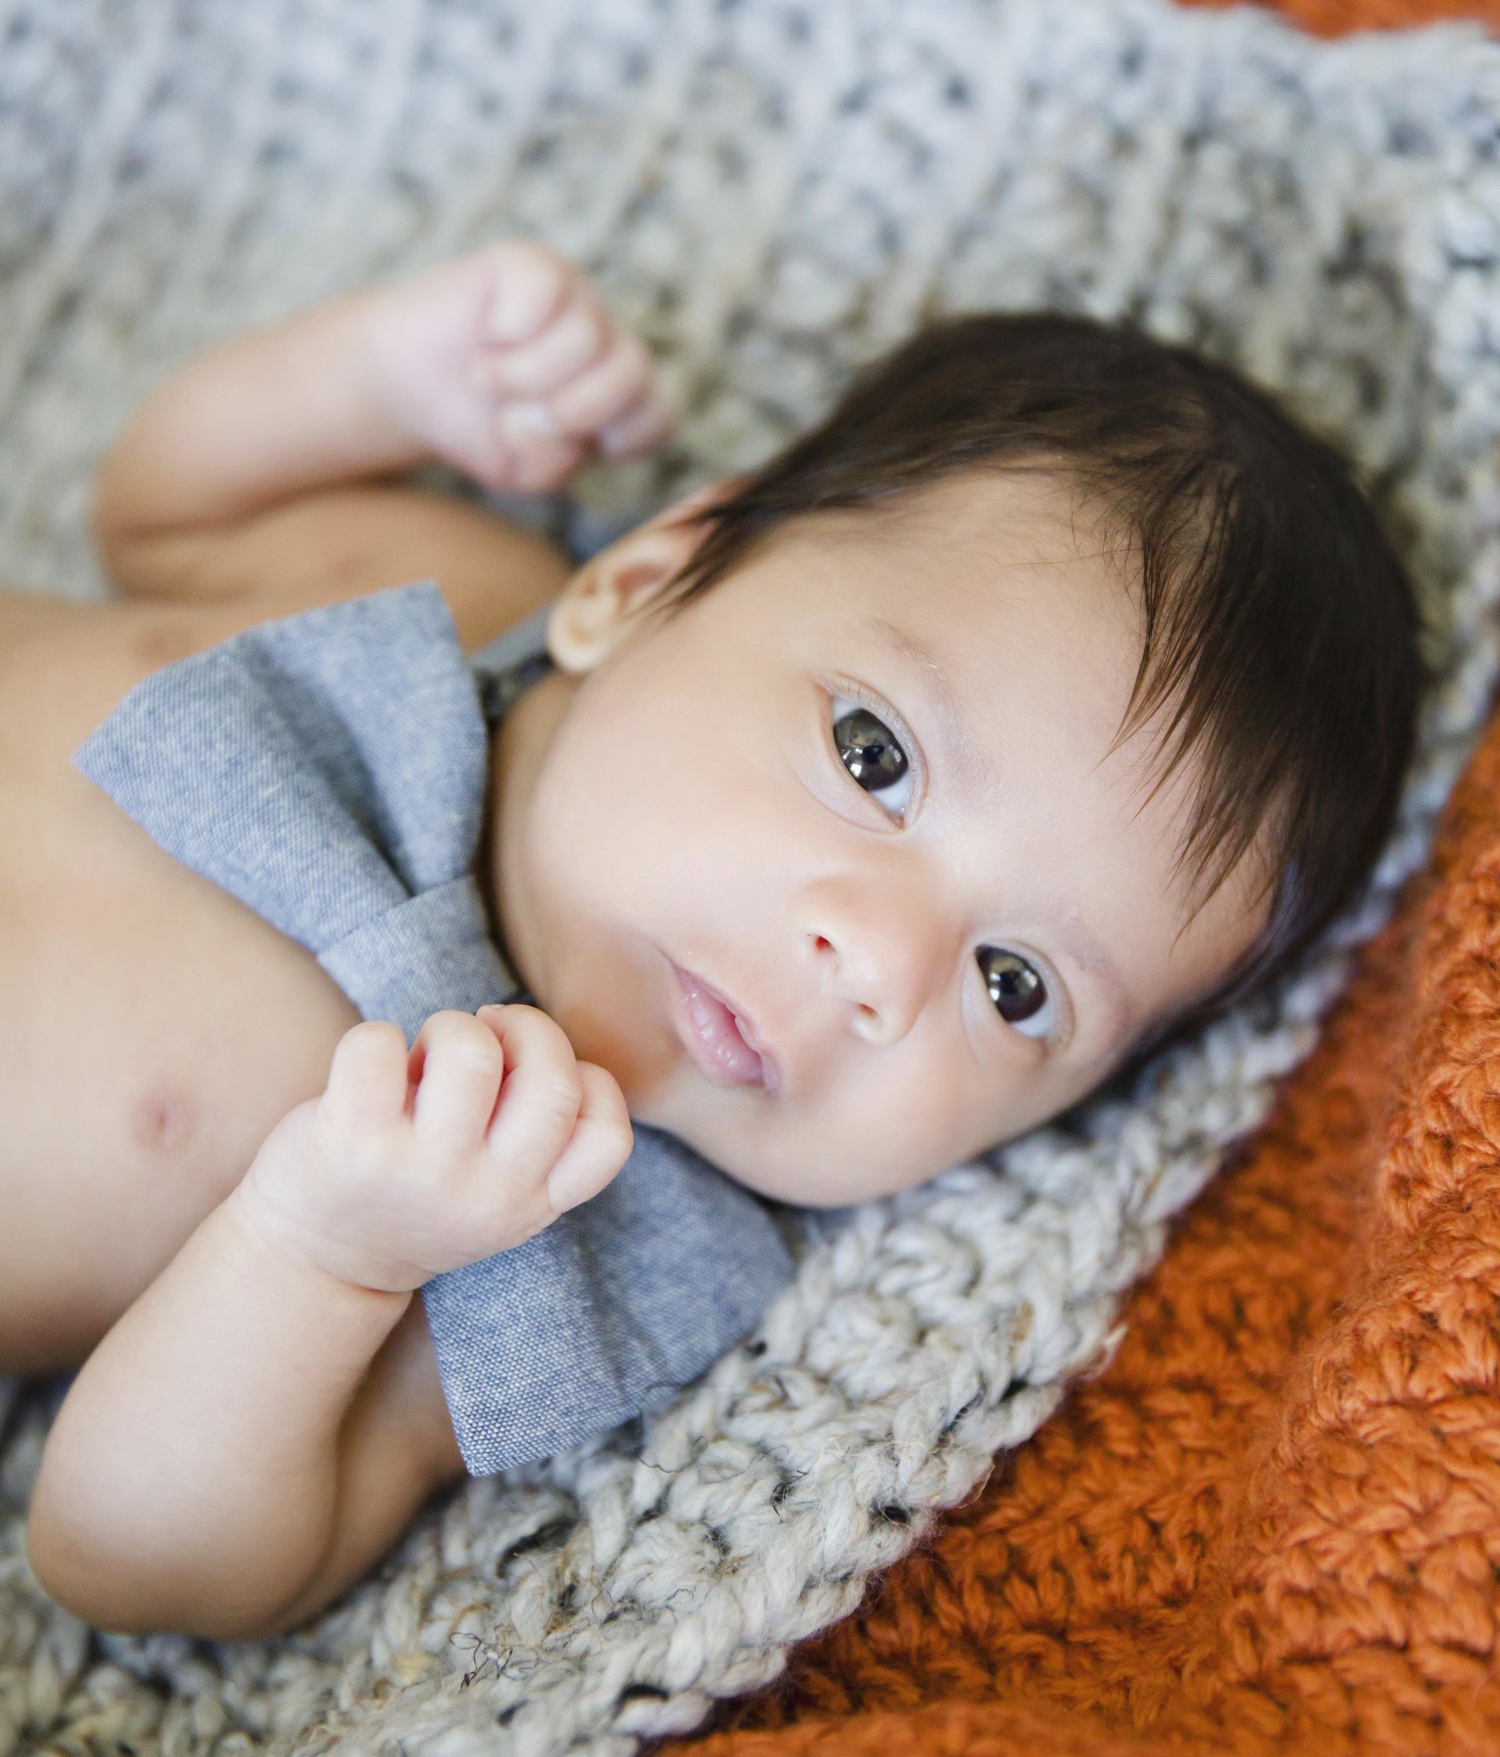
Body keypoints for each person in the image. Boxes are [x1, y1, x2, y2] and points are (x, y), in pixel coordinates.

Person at [8, 241, 1419, 1640]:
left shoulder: (547, 1241)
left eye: (1016, 983)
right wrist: (378, 374)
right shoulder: (461, 597)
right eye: (874, 756)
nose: (874, 960)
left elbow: (133, 1559)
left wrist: (321, 1251)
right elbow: (164, 516)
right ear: (637, 582)